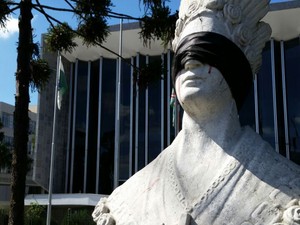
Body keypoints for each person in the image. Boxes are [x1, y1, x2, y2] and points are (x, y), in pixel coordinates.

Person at [93, 0, 300, 224]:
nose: (191, 64)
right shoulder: (123, 200)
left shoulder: (289, 186)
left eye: (208, 52)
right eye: (182, 58)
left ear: (235, 69)